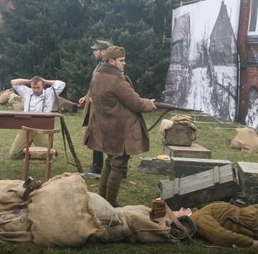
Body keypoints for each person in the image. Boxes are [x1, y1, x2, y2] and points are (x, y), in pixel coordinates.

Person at [84, 46, 157, 206]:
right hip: (119, 129)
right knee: (117, 166)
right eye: (121, 60)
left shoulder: (98, 75)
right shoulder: (116, 80)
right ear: (111, 61)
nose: (125, 63)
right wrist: (150, 104)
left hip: (107, 127)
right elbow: (136, 103)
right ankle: (109, 204)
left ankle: (102, 201)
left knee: (110, 162)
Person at [8, 76, 66, 159]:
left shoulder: (50, 93)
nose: (35, 90)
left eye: (38, 87)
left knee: (48, 156)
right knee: (13, 155)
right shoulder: (26, 92)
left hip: (41, 127)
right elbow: (13, 82)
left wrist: (45, 81)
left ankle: (50, 151)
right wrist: (29, 81)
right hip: (26, 126)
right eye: (33, 87)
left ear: (43, 86)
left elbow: (61, 84)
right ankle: (31, 153)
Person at [79, 39, 112, 176]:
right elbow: (95, 85)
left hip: (104, 108)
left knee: (107, 137)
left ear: (103, 51)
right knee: (96, 136)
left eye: (96, 50)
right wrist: (87, 96)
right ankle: (98, 167)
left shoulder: (110, 66)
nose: (93, 52)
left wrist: (96, 98)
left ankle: (113, 169)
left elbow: (109, 87)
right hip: (96, 107)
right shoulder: (100, 65)